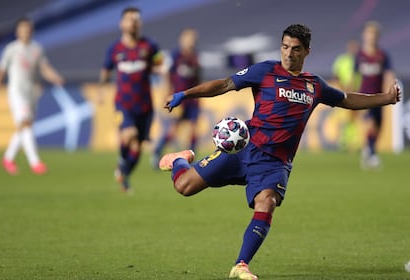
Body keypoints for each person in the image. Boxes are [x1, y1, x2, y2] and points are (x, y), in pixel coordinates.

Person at [158, 24, 401, 279]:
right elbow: (224, 84)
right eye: (285, 47)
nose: (289, 54)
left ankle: (241, 265)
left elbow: (347, 99)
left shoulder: (314, 86)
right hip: (243, 149)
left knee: (267, 202)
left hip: (274, 164)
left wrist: (385, 98)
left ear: (307, 51)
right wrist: (185, 94)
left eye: (296, 49)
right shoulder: (265, 71)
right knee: (183, 186)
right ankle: (179, 159)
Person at [98, 7, 163, 192]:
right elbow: (105, 70)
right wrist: (101, 91)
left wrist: (161, 71)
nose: (133, 22)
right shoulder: (115, 48)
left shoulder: (149, 46)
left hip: (144, 105)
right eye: (129, 19)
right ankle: (122, 162)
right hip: (123, 104)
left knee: (137, 147)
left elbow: (160, 65)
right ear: (122, 23)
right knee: (130, 135)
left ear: (140, 23)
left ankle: (123, 173)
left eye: (136, 19)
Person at [0, 17, 64, 175]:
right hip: (16, 91)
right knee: (25, 123)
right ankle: (35, 162)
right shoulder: (11, 49)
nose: (25, 32)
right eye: (22, 29)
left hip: (32, 91)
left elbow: (44, 68)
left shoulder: (37, 49)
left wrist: (55, 77)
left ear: (32, 31)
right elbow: (1, 73)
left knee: (25, 126)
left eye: (28, 29)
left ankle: (8, 157)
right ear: (17, 31)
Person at [153, 28, 201, 167]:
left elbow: (198, 78)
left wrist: (200, 94)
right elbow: (167, 76)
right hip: (178, 99)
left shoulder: (195, 58)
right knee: (173, 129)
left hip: (192, 99)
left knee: (193, 128)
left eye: (193, 40)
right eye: (188, 39)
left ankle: (192, 159)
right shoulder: (175, 56)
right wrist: (167, 94)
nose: (191, 42)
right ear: (182, 40)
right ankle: (157, 152)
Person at [355, 21, 395, 169]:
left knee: (378, 124)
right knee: (370, 122)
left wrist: (390, 90)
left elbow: (389, 73)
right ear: (364, 35)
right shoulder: (359, 55)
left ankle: (369, 148)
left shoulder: (382, 55)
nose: (371, 37)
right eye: (369, 34)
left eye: (374, 34)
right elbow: (354, 76)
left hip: (379, 96)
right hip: (365, 96)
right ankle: (371, 153)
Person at [331, 39, 361, 151]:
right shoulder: (342, 60)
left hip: (356, 93)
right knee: (344, 118)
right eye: (352, 47)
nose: (353, 49)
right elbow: (336, 75)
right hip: (343, 93)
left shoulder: (360, 60)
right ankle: (344, 141)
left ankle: (354, 142)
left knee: (354, 118)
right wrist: (343, 87)